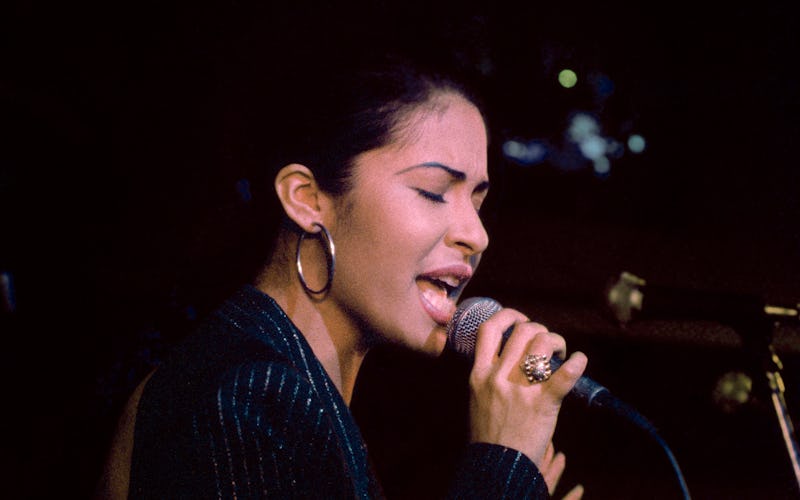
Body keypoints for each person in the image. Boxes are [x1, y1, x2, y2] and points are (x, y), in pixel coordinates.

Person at [97, 35, 589, 499]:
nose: (476, 235)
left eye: (478, 201)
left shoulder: (289, 386)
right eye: (433, 192)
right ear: (308, 199)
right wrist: (499, 469)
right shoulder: (253, 395)